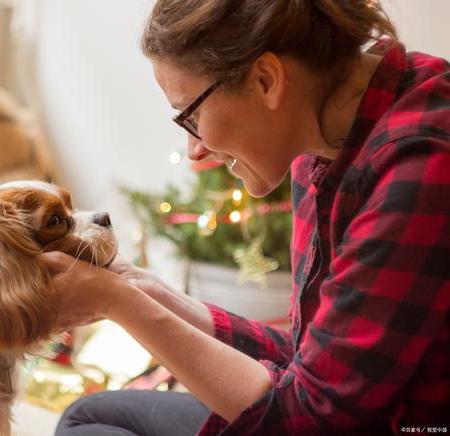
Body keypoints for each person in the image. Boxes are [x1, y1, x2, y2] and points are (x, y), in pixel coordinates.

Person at [44, 0, 450, 434]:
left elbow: (308, 417)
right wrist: (145, 291)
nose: (194, 150)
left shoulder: (422, 164)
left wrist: (118, 303)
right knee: (89, 416)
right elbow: (309, 359)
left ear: (266, 80)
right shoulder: (322, 138)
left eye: (192, 115)